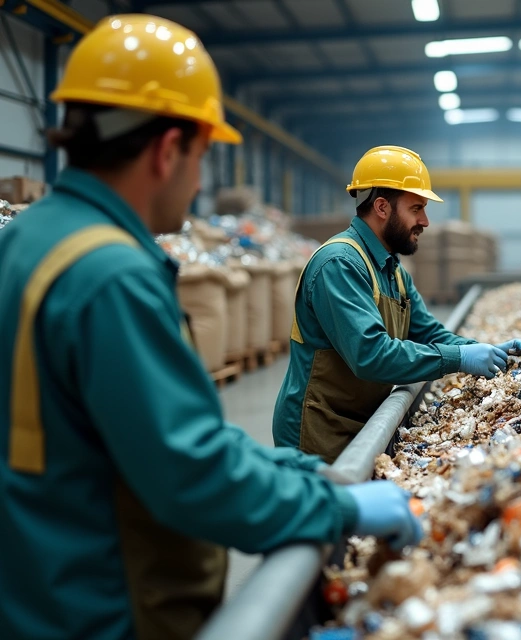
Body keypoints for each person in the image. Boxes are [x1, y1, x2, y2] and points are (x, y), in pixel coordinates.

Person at [0, 15, 423, 640]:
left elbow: (144, 433)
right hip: (102, 602)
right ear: (169, 150)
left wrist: (299, 474)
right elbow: (188, 473)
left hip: (31, 587)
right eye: (201, 156)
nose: (200, 182)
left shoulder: (24, 241)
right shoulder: (112, 275)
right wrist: (336, 504)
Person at [273, 145, 521, 462]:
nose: (425, 221)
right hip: (319, 434)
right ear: (382, 207)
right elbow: (370, 354)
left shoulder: (393, 272)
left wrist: (485, 351)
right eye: (416, 208)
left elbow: (430, 332)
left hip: (359, 423)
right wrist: (458, 358)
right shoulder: (339, 264)